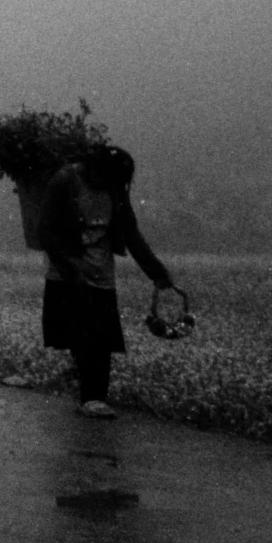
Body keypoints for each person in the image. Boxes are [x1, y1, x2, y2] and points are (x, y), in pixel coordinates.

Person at [37, 144, 175, 419]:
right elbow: (45, 230)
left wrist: (157, 272)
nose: (108, 183)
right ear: (91, 169)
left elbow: (131, 233)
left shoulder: (114, 188)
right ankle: (89, 394)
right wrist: (68, 268)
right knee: (80, 333)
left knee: (100, 336)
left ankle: (94, 397)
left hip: (101, 271)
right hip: (68, 270)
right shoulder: (65, 180)